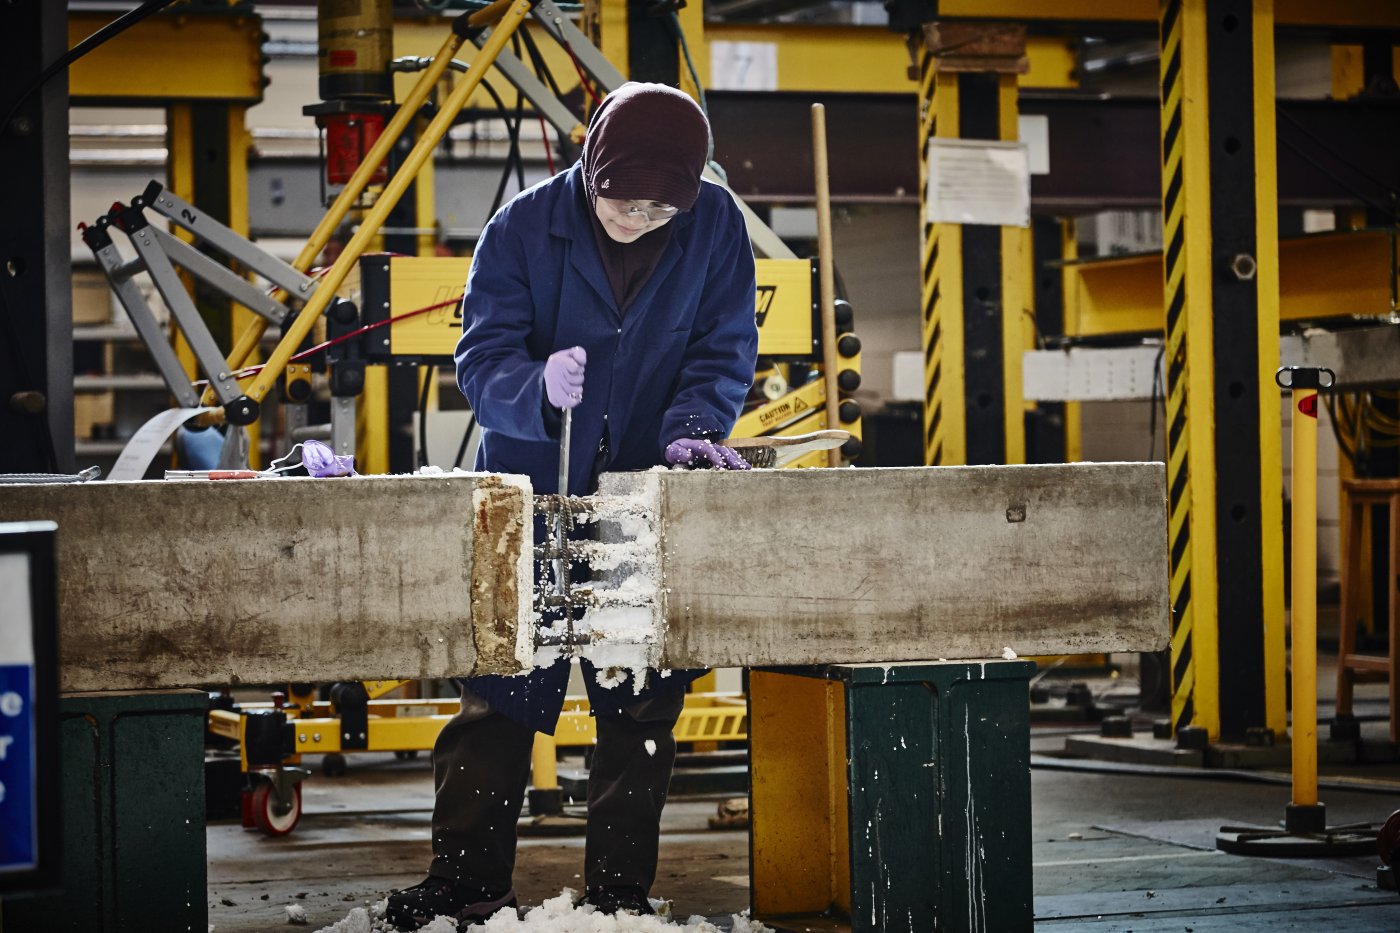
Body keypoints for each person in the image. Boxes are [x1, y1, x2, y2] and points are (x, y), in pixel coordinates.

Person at [385, 82, 758, 930]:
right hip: (529, 496)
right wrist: (535, 387)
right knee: (500, 696)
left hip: (642, 497)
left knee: (640, 700)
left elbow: (725, 346)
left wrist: (694, 428)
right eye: (621, 203)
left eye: (660, 210)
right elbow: (480, 360)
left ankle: (619, 894)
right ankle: (467, 885)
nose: (636, 220)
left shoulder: (716, 225)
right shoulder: (521, 226)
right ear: (591, 166)